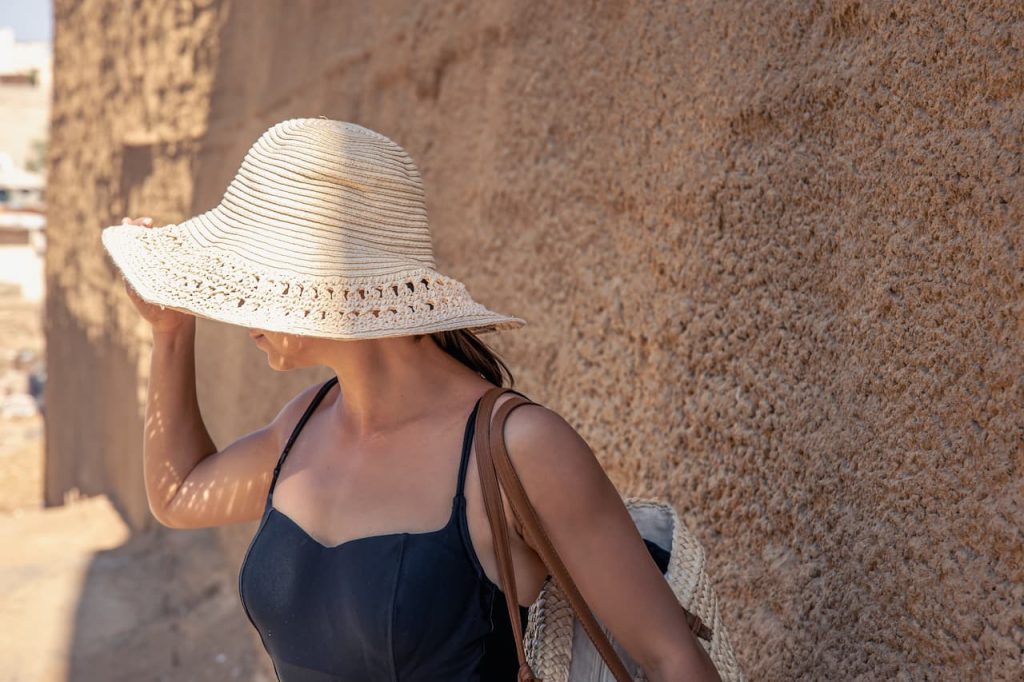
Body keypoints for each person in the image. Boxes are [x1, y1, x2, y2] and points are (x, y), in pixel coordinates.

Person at [104, 118, 720, 682]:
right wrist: (170, 332)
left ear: (332, 275)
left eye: (255, 272)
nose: (232, 302)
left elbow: (672, 659)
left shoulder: (518, 452)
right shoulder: (305, 424)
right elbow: (181, 493)